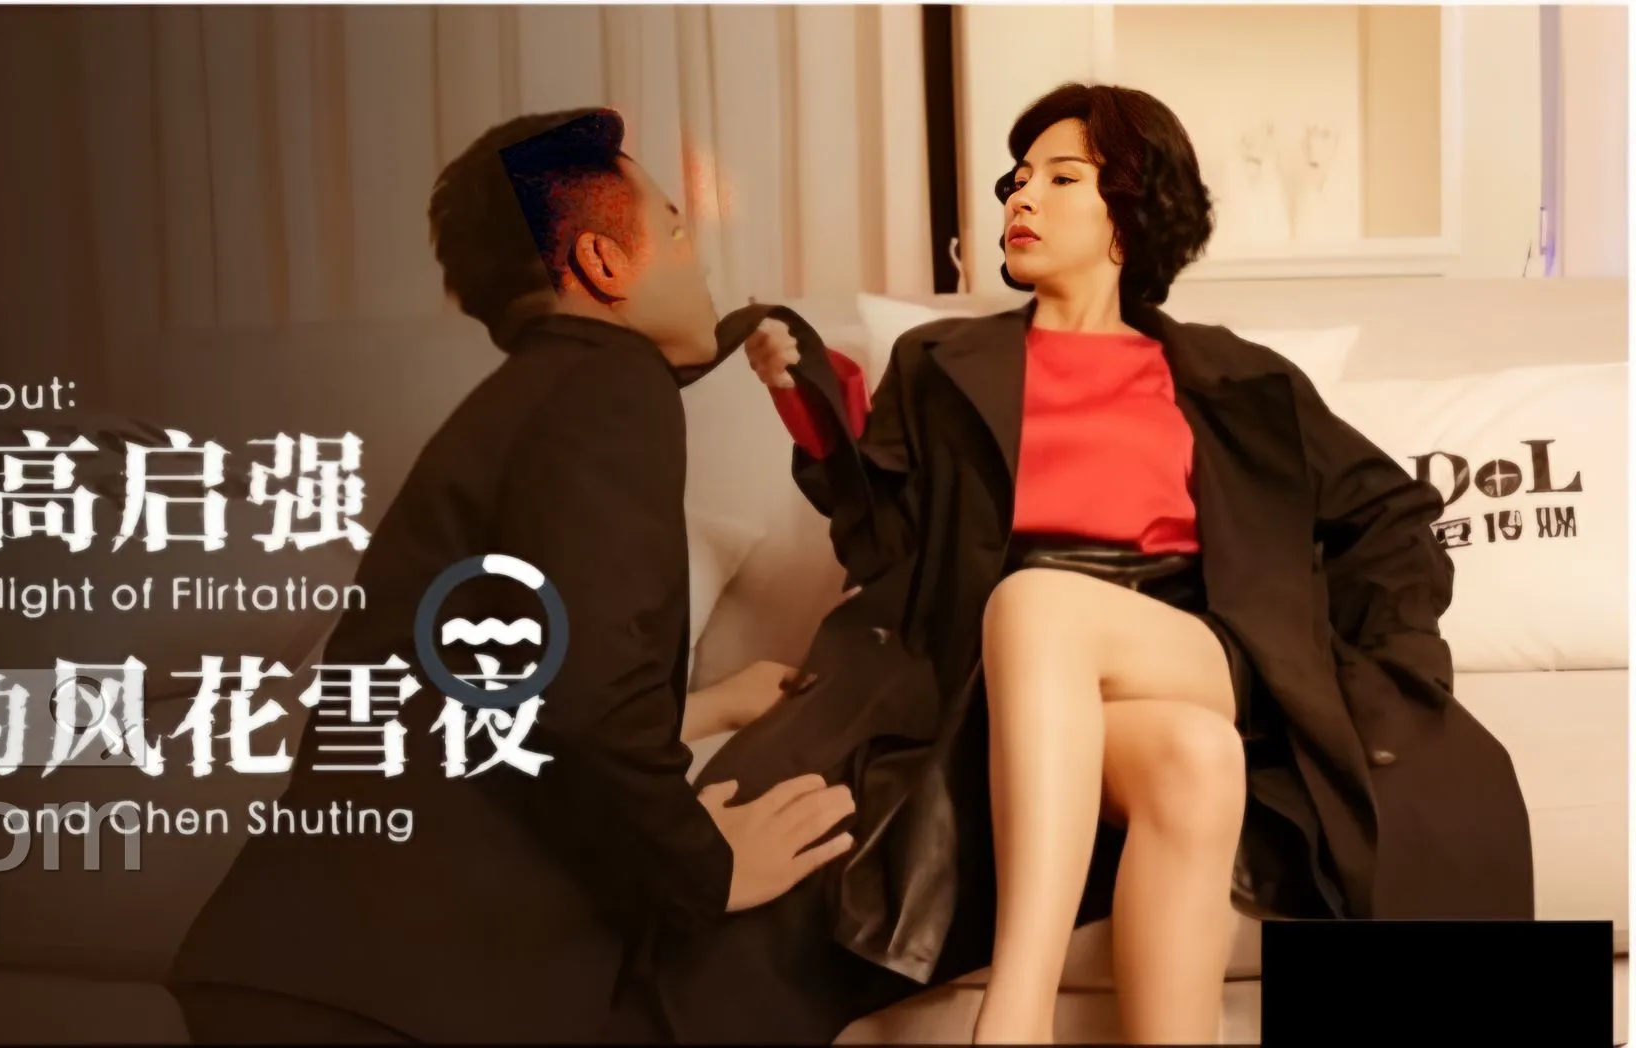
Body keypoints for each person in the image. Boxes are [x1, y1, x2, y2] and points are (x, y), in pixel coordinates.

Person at [719, 82, 1534, 1044]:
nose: (1022, 197)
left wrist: (1388, 667)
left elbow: (1391, 515)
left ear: (1129, 213)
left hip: (1196, 644)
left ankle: (1013, 1021)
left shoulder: (1238, 375)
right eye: (1017, 179)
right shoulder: (941, 361)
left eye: (1061, 178)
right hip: (1016, 681)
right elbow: (890, 550)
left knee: (1041, 604)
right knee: (1193, 759)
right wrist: (818, 419)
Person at [169, 107, 857, 1043]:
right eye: (675, 229)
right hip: (403, 991)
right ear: (603, 263)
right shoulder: (612, 391)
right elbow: (587, 698)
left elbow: (501, 700)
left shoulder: (539, 397)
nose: (699, 260)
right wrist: (707, 865)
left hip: (314, 969)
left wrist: (714, 705)